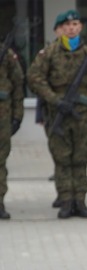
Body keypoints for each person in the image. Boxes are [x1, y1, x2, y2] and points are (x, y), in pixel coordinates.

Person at [28, 9, 87, 219]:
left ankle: (80, 200)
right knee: (62, 159)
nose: (72, 28)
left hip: (82, 114)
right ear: (61, 28)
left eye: (75, 24)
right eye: (68, 25)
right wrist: (54, 100)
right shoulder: (49, 53)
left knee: (81, 158)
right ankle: (66, 200)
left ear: (80, 27)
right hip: (57, 113)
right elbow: (35, 78)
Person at [0, 31, 25, 219]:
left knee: (0, 162)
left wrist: (17, 115)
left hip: (2, 117)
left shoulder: (6, 55)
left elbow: (18, 85)